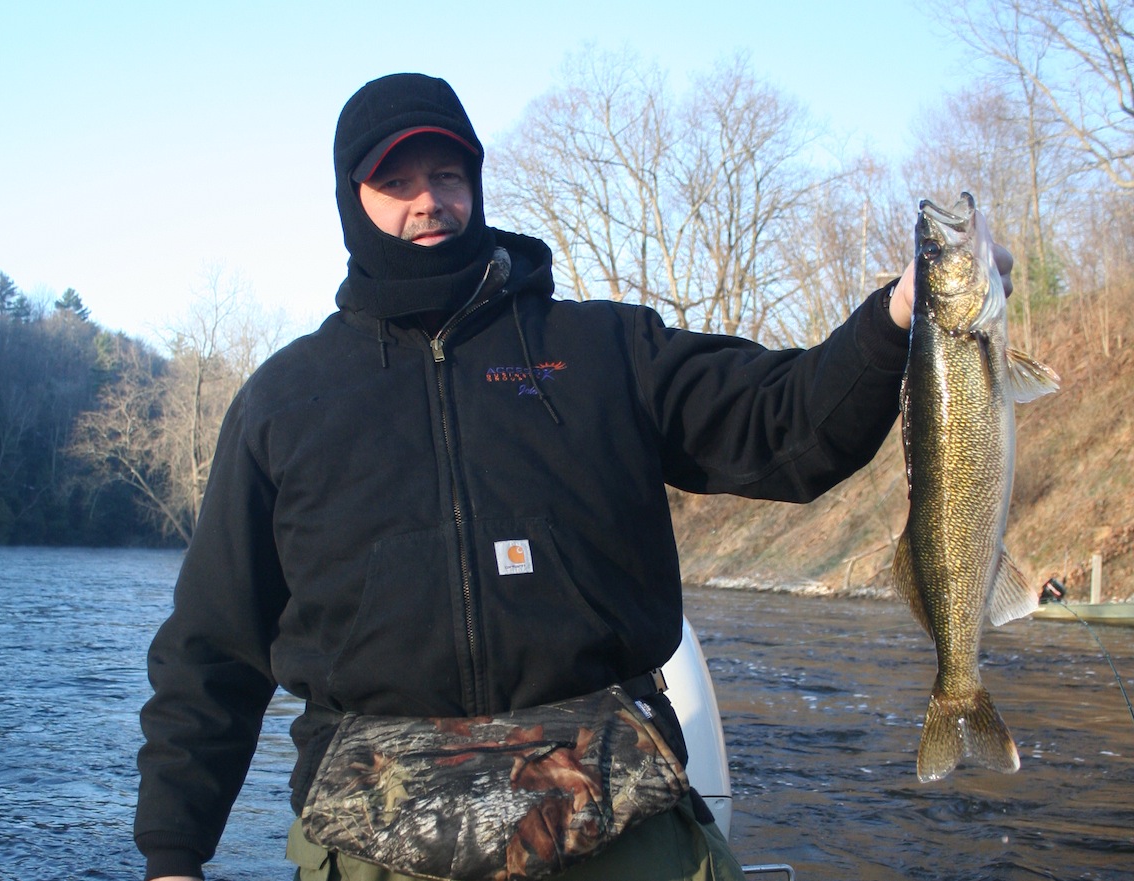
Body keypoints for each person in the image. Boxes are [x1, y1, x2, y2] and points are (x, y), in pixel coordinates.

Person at [134, 72, 1007, 881]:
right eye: (395, 182)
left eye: (448, 173)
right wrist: (174, 852)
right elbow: (213, 647)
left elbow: (785, 424)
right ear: (350, 200)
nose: (429, 200)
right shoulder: (285, 401)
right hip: (377, 841)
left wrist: (900, 316)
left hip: (616, 819)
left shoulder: (601, 349)